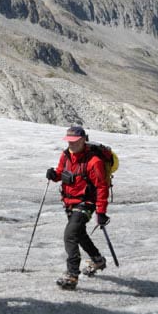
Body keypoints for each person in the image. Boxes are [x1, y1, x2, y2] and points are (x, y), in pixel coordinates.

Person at [46, 124, 110, 290]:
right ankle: (97, 260)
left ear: (83, 140)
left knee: (70, 235)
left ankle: (72, 275)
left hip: (85, 203)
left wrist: (101, 211)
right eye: (69, 140)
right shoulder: (66, 155)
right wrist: (54, 175)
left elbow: (102, 187)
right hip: (69, 202)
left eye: (74, 141)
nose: (71, 144)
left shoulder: (94, 162)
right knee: (79, 234)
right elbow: (62, 172)